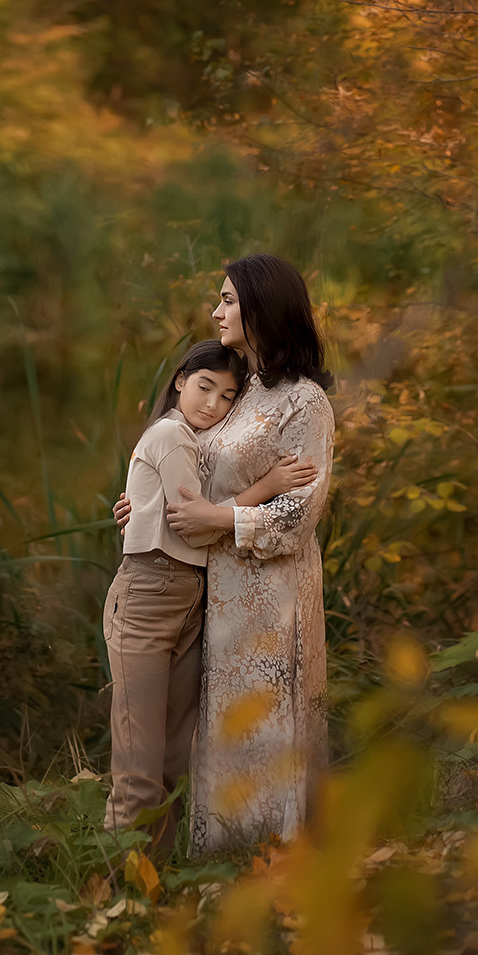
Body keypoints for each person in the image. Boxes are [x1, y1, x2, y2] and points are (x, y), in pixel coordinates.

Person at [117, 255, 335, 852]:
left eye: (228, 300)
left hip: (272, 595)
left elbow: (297, 515)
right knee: (215, 731)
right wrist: (145, 503)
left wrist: (220, 517)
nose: (216, 312)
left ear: (262, 307)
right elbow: (192, 465)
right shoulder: (240, 390)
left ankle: (279, 860)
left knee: (266, 725)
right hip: (211, 588)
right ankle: (224, 860)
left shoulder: (304, 401)